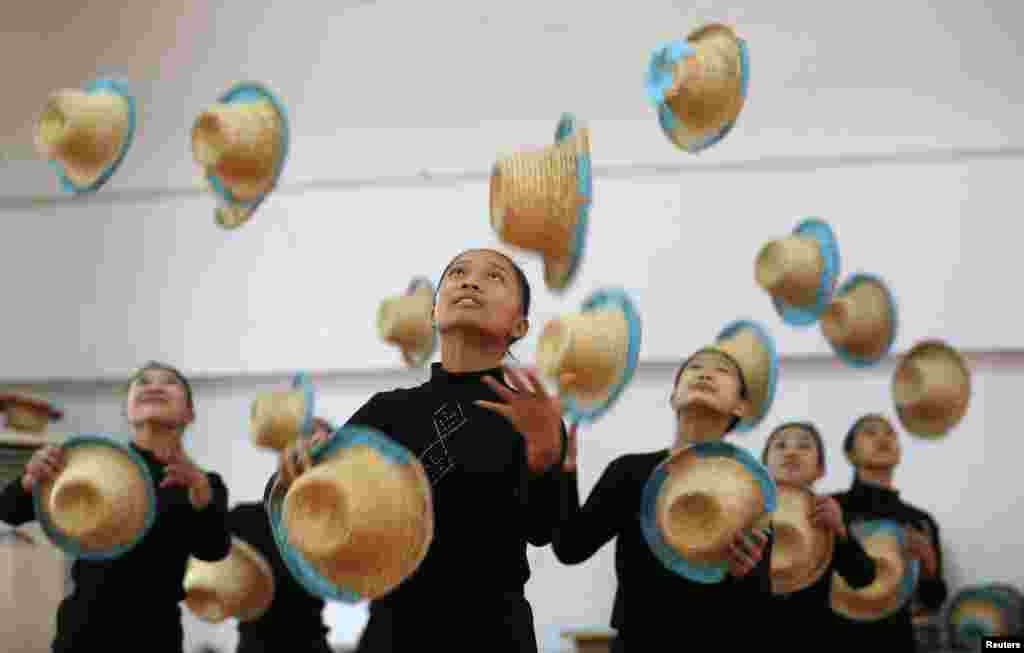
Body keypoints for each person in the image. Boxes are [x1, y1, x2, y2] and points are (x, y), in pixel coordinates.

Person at [267, 248, 568, 653]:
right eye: (457, 273)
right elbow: (310, 503)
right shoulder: (387, 409)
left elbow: (544, 531)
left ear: (520, 325)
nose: (469, 281)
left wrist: (545, 459)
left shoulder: (531, 415)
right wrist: (296, 468)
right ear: (432, 313)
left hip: (493, 633)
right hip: (395, 632)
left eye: (494, 276)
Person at [551, 347, 774, 652]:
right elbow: (570, 547)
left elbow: (760, 611)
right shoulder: (630, 472)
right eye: (694, 367)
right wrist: (563, 471)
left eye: (722, 371)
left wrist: (744, 576)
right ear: (673, 398)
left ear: (740, 407)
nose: (705, 373)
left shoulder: (753, 492)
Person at [0, 361, 231, 653]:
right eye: (143, 382)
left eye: (168, 382)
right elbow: (9, 511)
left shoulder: (205, 483)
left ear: (190, 413)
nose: (154, 386)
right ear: (127, 411)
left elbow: (213, 549)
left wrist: (201, 494)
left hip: (155, 636)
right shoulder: (88, 466)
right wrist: (30, 480)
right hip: (83, 634)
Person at [831, 413, 948, 651]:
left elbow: (931, 602)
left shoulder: (919, 521)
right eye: (870, 432)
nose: (882, 437)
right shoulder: (831, 509)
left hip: (896, 641)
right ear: (849, 454)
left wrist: (929, 566)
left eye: (890, 433)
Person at [760, 421, 876, 643]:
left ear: (820, 469)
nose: (791, 452)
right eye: (780, 445)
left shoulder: (828, 513)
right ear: (763, 465)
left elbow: (863, 577)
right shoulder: (746, 511)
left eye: (804, 446)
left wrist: (840, 531)